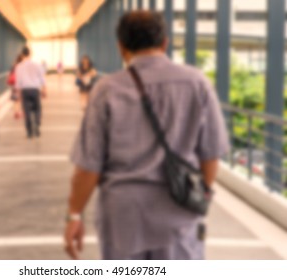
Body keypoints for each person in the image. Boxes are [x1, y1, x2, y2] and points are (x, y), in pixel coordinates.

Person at [64, 11, 229, 260]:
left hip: (123, 216)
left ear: (121, 47)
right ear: (165, 42)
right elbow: (211, 155)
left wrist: (75, 214)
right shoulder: (197, 83)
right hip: (178, 214)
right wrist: (196, 197)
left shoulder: (107, 90)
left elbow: (89, 165)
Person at [15, 46, 47, 138]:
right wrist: (44, 89)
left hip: (25, 90)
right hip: (35, 89)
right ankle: (37, 124)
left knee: (26, 110)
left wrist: (18, 93)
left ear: (22, 54)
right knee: (37, 108)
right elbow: (42, 77)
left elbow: (18, 82)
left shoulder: (19, 66)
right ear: (30, 54)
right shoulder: (37, 65)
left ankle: (29, 131)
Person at [8, 54, 24, 119]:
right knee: (20, 99)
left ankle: (15, 112)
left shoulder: (13, 66)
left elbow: (10, 74)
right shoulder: (22, 66)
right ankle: (19, 111)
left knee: (15, 100)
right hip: (20, 85)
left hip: (14, 84)